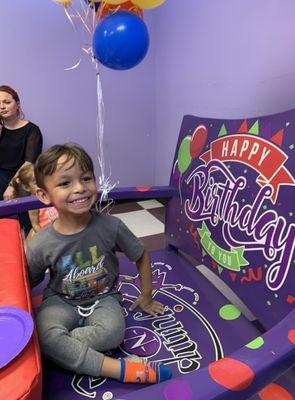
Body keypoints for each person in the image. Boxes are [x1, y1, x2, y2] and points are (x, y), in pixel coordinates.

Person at [26, 144, 172, 384]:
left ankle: (59, 348)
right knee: (42, 333)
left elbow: (141, 255)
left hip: (104, 299)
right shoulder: (41, 243)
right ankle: (121, 369)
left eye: (86, 178)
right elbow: (27, 281)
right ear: (44, 195)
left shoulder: (110, 226)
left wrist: (146, 296)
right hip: (60, 301)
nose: (80, 188)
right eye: (65, 183)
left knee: (113, 333)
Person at [0, 85, 43, 200]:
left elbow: (29, 163)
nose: (2, 107)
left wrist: (11, 185)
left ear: (17, 104)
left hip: (21, 178)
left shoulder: (32, 130)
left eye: (7, 102)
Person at [10, 163, 58, 246]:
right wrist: (45, 238)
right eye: (36, 183)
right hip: (46, 235)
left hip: (60, 231)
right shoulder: (33, 203)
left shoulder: (53, 194)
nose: (41, 184)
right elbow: (35, 224)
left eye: (42, 180)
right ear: (27, 187)